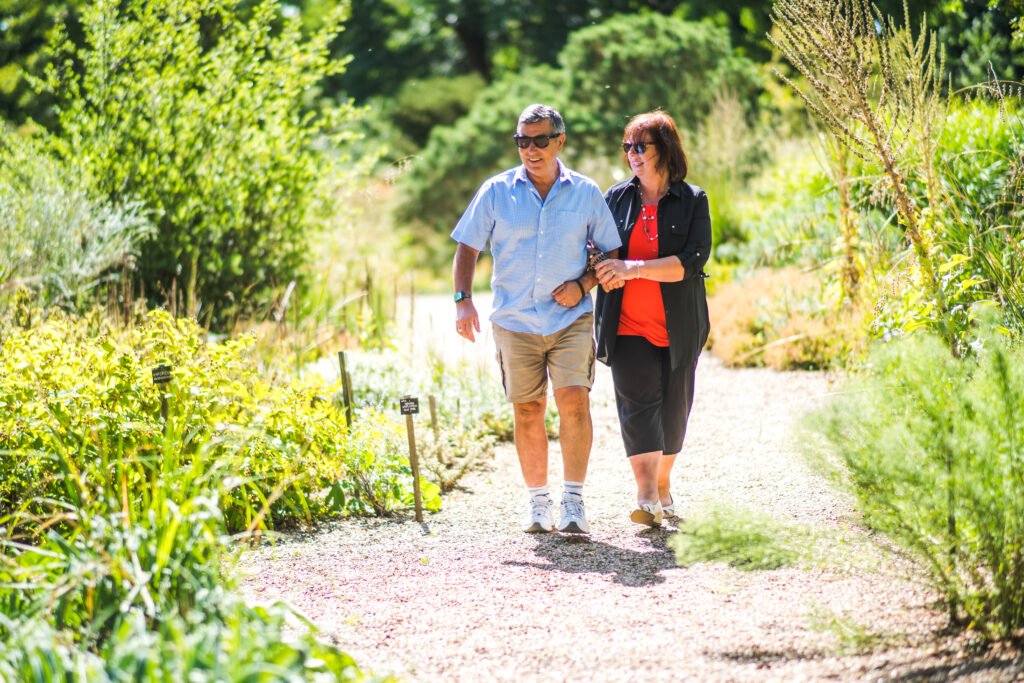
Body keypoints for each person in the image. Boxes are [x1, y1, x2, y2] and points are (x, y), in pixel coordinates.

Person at [451, 103, 621, 534]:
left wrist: (583, 285)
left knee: (574, 402)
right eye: (522, 141)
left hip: (571, 319)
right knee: (528, 410)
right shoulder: (495, 191)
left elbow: (611, 251)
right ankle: (538, 504)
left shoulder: (585, 192)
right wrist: (462, 300)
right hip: (514, 321)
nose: (530, 149)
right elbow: (467, 246)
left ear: (559, 141)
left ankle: (574, 502)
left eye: (540, 140)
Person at [592, 110, 711, 527]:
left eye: (641, 146)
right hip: (627, 326)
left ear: (666, 150)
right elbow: (597, 250)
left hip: (679, 327)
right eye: (627, 147)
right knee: (637, 407)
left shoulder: (693, 200)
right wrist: (601, 267)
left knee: (674, 412)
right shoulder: (614, 199)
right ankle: (645, 496)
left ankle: (662, 485)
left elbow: (692, 262)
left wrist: (633, 268)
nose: (632, 155)